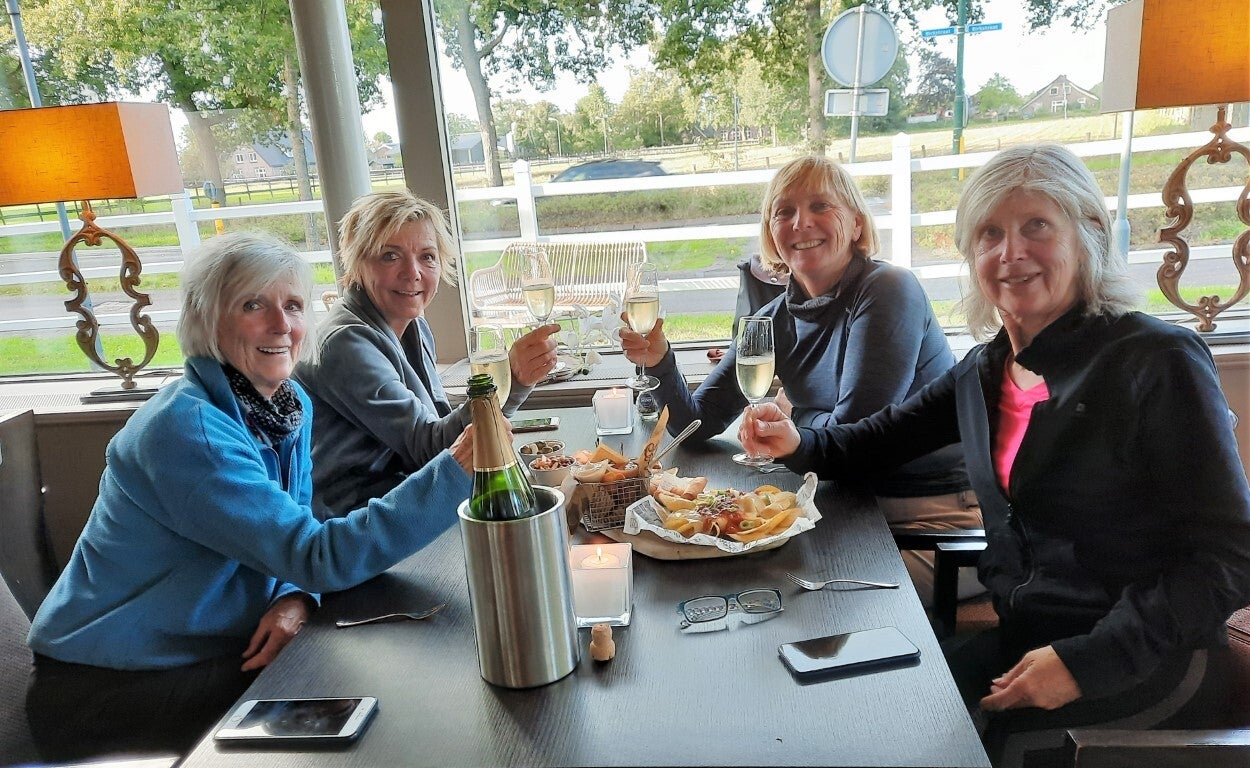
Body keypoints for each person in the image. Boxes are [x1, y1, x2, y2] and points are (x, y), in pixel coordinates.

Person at [740, 144, 1250, 767]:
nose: (1011, 252)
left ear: (1088, 233)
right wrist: (797, 443)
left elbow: (1231, 554)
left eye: (1037, 226)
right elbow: (875, 439)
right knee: (852, 717)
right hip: (1024, 644)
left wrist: (1087, 662)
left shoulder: (1155, 359)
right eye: (990, 234)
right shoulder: (986, 369)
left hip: (1147, 666)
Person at [25, 233, 474, 762]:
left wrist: (294, 596)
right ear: (207, 320)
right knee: (365, 695)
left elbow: (296, 529)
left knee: (371, 678)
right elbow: (318, 555)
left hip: (205, 648)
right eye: (253, 305)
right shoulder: (189, 430)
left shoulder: (285, 404)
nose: (281, 325)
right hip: (108, 686)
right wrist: (454, 471)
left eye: (294, 306)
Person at [618, 155, 981, 603]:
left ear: (856, 223)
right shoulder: (773, 317)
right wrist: (660, 361)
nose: (800, 222)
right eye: (784, 211)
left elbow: (853, 441)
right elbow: (697, 422)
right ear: (770, 232)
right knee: (722, 574)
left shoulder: (889, 290)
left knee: (788, 596)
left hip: (934, 519)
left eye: (820, 206)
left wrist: (796, 419)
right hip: (846, 503)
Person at [294, 189, 560, 517]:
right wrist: (508, 381)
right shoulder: (344, 343)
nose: (413, 272)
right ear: (357, 261)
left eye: (427, 256)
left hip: (411, 500)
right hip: (363, 524)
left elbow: (440, 425)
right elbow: (432, 448)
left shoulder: (412, 325)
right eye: (390, 256)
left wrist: (514, 382)